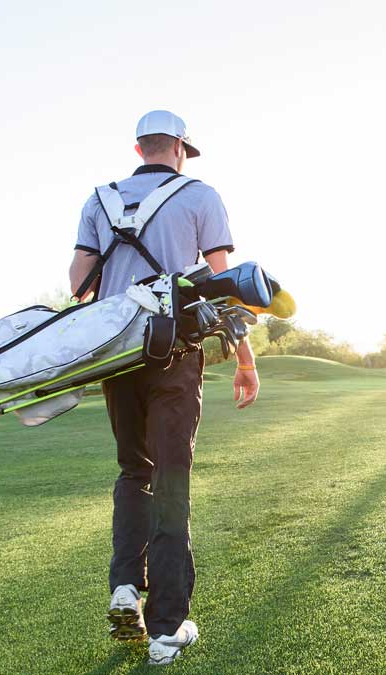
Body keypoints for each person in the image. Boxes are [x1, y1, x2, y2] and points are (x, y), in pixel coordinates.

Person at [69, 110, 261, 665]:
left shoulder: (100, 200)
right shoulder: (200, 195)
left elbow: (79, 284)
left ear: (139, 149)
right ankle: (165, 630)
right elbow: (224, 284)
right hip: (174, 350)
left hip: (117, 353)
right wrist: (245, 359)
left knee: (135, 471)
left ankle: (125, 585)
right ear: (179, 148)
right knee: (171, 477)